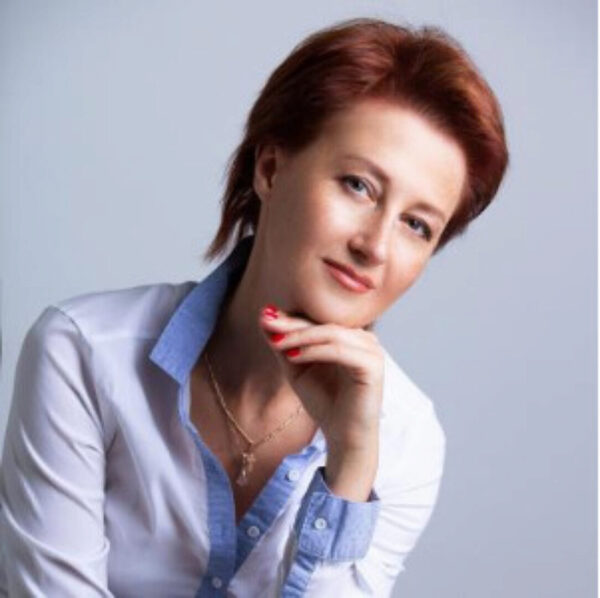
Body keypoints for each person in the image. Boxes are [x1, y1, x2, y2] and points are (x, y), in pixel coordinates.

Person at [0, 16, 509, 598]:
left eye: (417, 225)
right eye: (358, 185)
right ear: (270, 169)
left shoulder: (405, 441)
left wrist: (350, 469)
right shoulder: (84, 355)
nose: (375, 246)